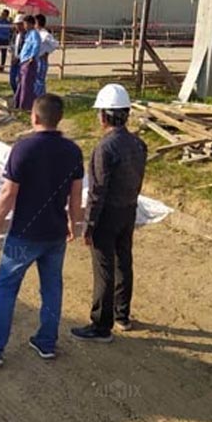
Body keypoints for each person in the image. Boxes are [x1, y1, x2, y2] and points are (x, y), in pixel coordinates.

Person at [0, 94, 84, 367]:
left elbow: (8, 192)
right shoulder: (73, 151)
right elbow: (76, 194)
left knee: (6, 289)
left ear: (34, 117)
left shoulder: (23, 148)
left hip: (24, 234)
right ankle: (46, 343)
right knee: (52, 288)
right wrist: (74, 222)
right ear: (59, 119)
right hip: (56, 233)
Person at [71, 84, 147, 343]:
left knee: (104, 267)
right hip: (128, 210)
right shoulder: (138, 144)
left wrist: (89, 225)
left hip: (107, 215)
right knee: (123, 261)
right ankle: (121, 315)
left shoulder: (105, 148)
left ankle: (101, 325)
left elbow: (97, 191)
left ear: (104, 116)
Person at [13, 15, 41, 111]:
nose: (24, 25)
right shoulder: (28, 34)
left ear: (30, 24)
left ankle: (26, 106)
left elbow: (36, 45)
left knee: (27, 85)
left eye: (25, 23)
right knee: (22, 83)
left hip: (29, 62)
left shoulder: (34, 34)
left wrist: (32, 57)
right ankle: (19, 103)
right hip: (23, 61)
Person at [35, 14, 59, 97]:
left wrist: (47, 52)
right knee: (35, 79)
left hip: (41, 59)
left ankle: (40, 97)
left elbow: (55, 44)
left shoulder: (45, 34)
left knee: (40, 80)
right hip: (35, 59)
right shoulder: (35, 33)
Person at [9, 13, 25, 93]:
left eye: (20, 24)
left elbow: (25, 49)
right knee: (12, 80)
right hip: (14, 60)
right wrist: (12, 55)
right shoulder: (15, 35)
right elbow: (11, 46)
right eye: (16, 24)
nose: (18, 26)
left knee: (19, 80)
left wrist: (18, 57)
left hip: (21, 61)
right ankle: (16, 94)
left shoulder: (27, 36)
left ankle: (19, 96)